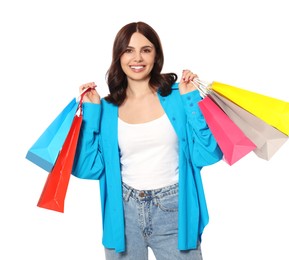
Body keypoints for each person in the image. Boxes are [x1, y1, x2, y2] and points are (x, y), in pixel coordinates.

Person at [72, 21, 223, 260]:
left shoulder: (177, 97)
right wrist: (90, 113)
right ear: (118, 56)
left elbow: (208, 153)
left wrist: (191, 100)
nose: (137, 58)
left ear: (156, 55)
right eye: (128, 50)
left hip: (174, 210)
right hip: (123, 214)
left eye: (146, 49)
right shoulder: (107, 108)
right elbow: (87, 168)